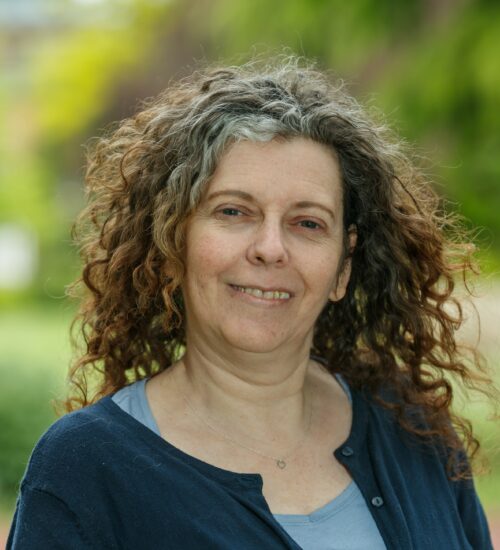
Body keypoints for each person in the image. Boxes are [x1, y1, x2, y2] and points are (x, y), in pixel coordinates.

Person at [7, 56, 496, 549]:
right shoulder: (86, 470)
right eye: (234, 211)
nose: (270, 247)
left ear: (342, 268)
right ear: (174, 244)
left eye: (307, 222)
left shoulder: (410, 428)